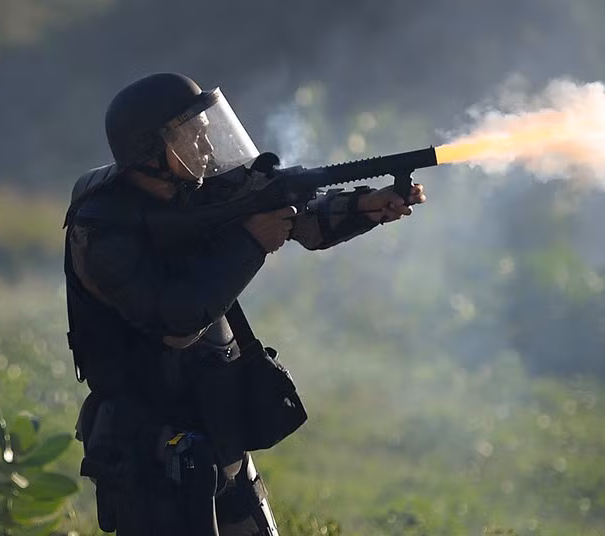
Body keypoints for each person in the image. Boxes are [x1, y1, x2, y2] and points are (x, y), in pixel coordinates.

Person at [63, 72, 426, 535]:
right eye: (189, 135)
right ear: (149, 151)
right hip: (150, 447)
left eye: (204, 128)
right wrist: (252, 244)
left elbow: (297, 216)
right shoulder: (101, 230)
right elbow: (176, 321)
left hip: (217, 422)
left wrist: (362, 207)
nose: (206, 143)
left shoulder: (197, 188)